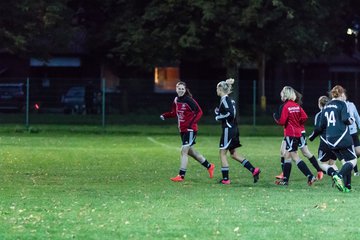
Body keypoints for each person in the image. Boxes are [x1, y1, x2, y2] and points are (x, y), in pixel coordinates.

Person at [160, 81, 215, 182]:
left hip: (190, 130)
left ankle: (181, 175)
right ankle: (209, 166)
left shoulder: (189, 100)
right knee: (191, 152)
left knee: (183, 150)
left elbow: (199, 112)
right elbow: (174, 113)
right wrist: (165, 115)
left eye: (182, 89)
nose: (180, 90)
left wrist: (190, 125)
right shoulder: (176, 100)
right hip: (182, 130)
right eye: (179, 88)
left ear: (185, 90)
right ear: (176, 89)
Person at [310, 85, 357, 192]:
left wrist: (312, 137)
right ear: (341, 94)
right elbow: (345, 119)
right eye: (344, 94)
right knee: (352, 160)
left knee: (341, 162)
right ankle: (339, 176)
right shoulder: (342, 103)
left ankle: (347, 187)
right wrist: (351, 120)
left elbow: (321, 126)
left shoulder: (326, 106)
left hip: (330, 140)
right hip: (342, 137)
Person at [215, 78, 261, 184]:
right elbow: (229, 112)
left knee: (222, 153)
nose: (216, 90)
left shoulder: (225, 100)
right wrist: (219, 112)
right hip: (234, 129)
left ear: (221, 89)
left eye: (217, 88)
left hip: (228, 130)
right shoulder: (229, 100)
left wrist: (218, 117)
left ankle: (226, 179)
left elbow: (230, 113)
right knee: (234, 154)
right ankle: (254, 170)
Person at [275, 90, 323, 180]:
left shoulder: (286, 106)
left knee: (302, 153)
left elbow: (282, 121)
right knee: (284, 152)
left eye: (282, 94)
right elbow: (304, 117)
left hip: (294, 133)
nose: (281, 96)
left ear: (285, 95)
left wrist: (276, 118)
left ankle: (317, 171)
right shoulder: (295, 105)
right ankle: (284, 175)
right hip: (293, 132)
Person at [309, 96, 339, 179]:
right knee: (332, 164)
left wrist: (311, 137)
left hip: (325, 142)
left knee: (321, 164)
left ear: (319, 104)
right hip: (336, 141)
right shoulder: (334, 112)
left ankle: (335, 174)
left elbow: (318, 129)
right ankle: (339, 178)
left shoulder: (319, 115)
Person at [344, 94, 360, 177]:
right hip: (345, 133)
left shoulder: (351, 105)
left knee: (358, 152)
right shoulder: (340, 106)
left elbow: (356, 116)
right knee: (352, 152)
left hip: (354, 131)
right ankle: (356, 171)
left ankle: (349, 165)